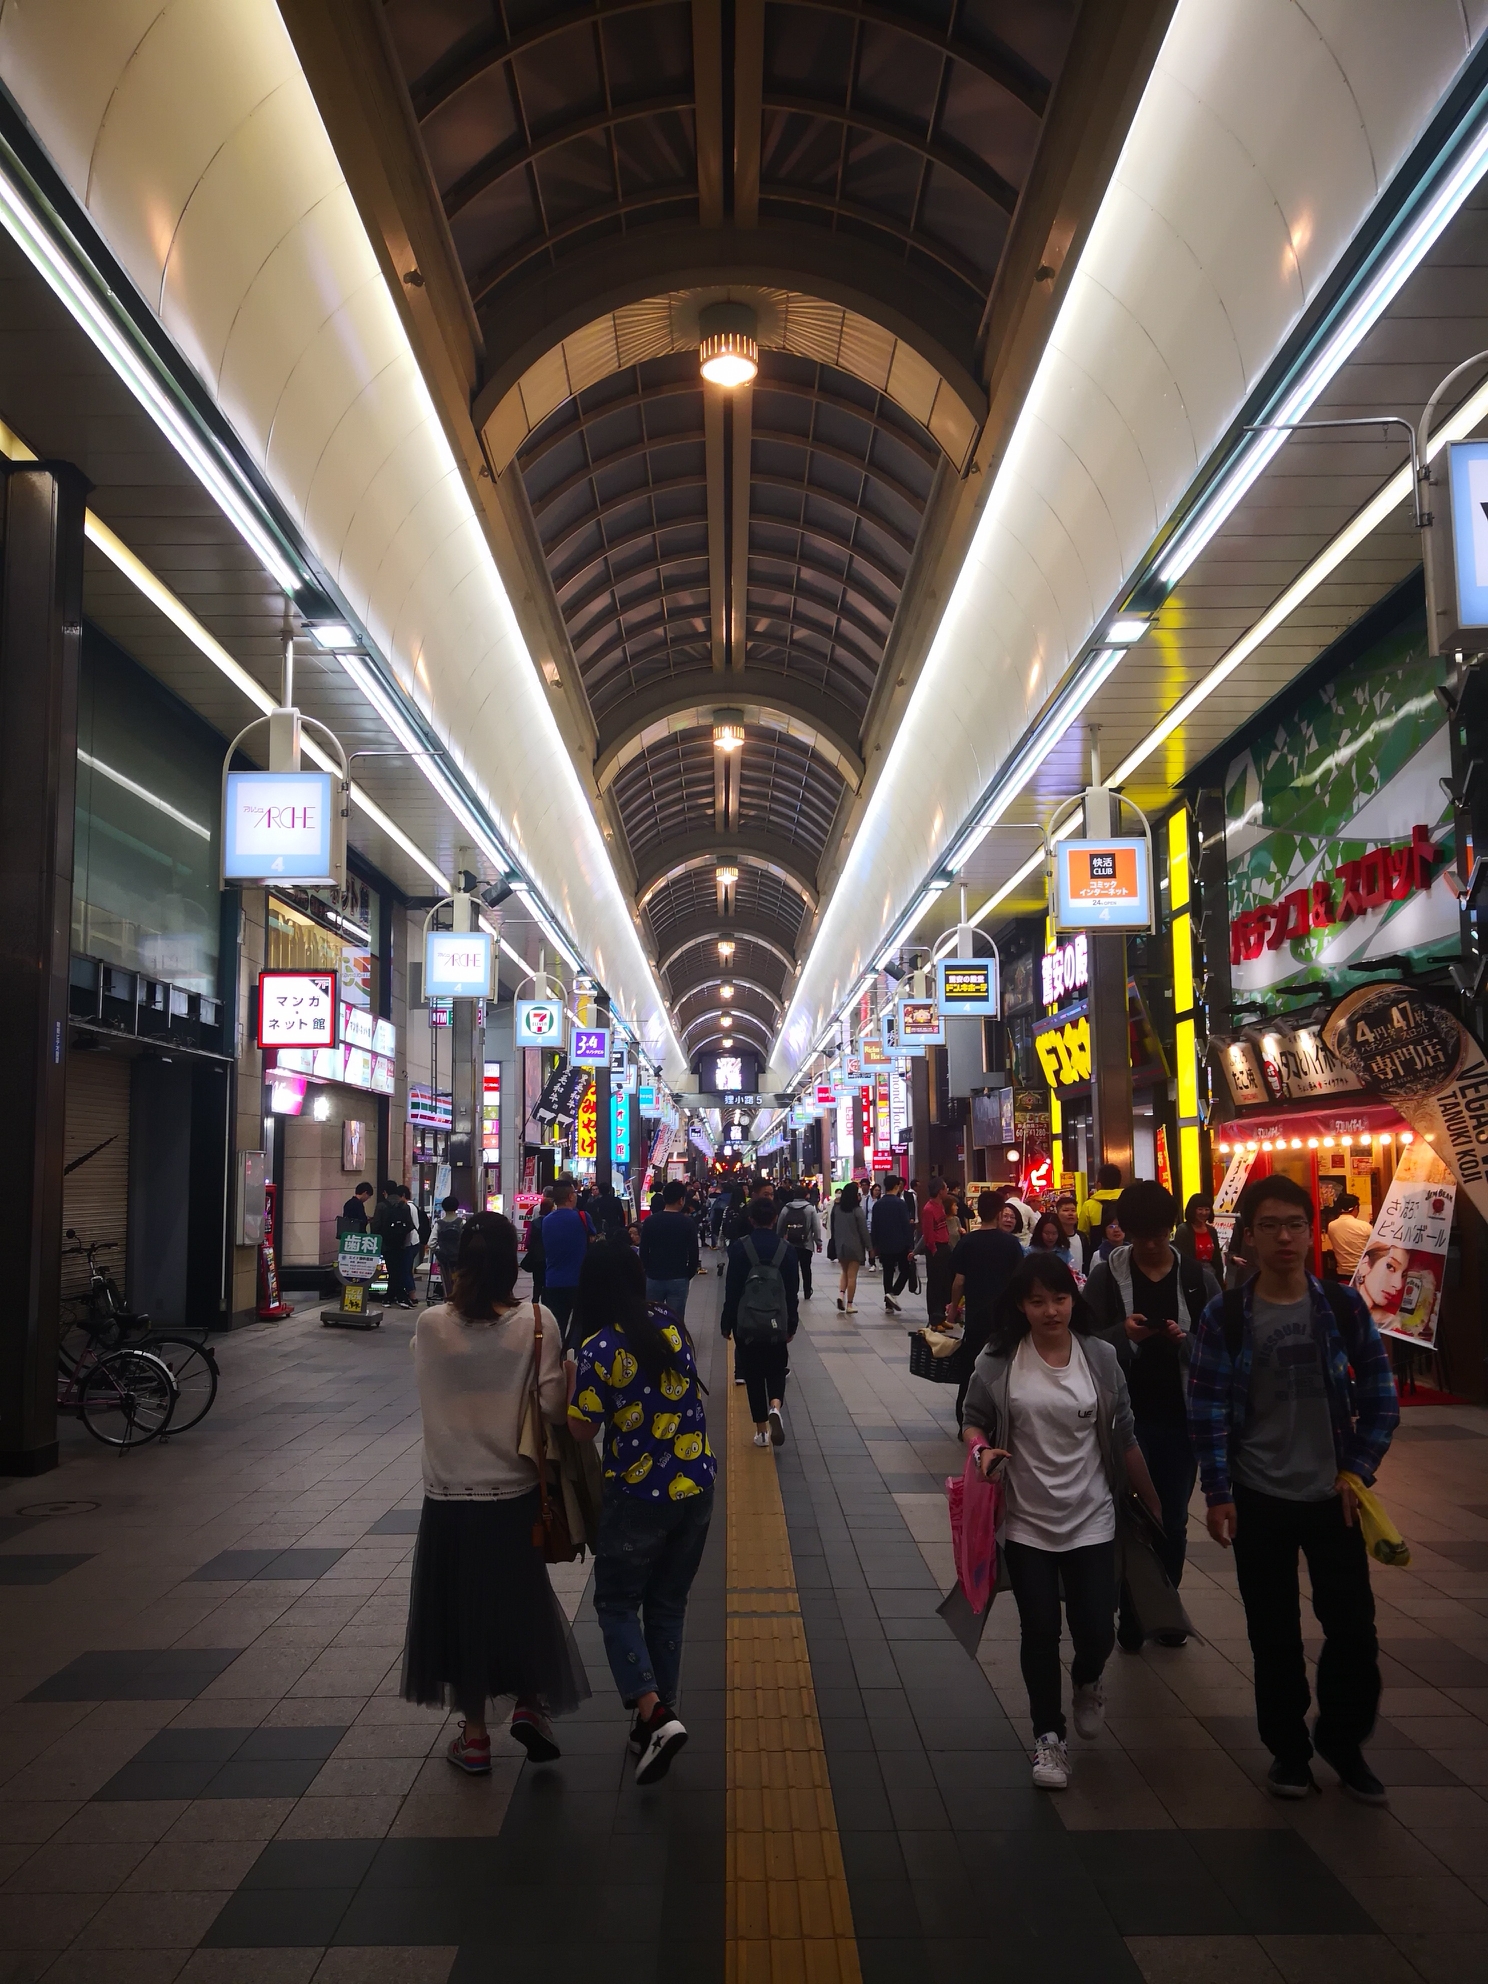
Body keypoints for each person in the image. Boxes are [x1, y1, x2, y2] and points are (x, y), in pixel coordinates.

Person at [1188, 1173, 1399, 1804]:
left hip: (1331, 1495)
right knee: (1273, 1633)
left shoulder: (1340, 1306)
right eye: (1271, 1226)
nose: (1286, 1237)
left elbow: (1381, 1398)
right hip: (1258, 1496)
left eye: (1296, 1225)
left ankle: (1342, 1738)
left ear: (1311, 1232)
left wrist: (1356, 1470)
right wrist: (1219, 1492)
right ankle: (1288, 1752)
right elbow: (1207, 1412)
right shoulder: (1225, 1316)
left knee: (1354, 1630)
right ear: (1246, 1237)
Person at [961, 1255, 1162, 1790]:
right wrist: (981, 1451)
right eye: (1037, 1301)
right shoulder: (1000, 1359)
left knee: (1097, 1625)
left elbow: (1123, 1434)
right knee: (1041, 1629)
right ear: (1020, 1307)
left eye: (1059, 1298)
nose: (1051, 1311)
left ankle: (1089, 1679)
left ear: (1074, 1299)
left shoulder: (1100, 1356)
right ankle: (1048, 1739)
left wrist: (1154, 1503)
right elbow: (973, 1418)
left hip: (1093, 1516)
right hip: (1027, 1521)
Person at [401, 1211, 589, 1772]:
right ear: (515, 1263)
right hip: (517, 1493)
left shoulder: (432, 1325)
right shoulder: (538, 1321)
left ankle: (476, 1737)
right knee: (518, 1602)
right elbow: (555, 1408)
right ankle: (530, 1706)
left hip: (450, 1493)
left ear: (458, 1263)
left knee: (459, 1612)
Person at [568, 1242, 714, 1785]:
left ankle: (653, 1710)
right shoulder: (668, 1324)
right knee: (668, 1604)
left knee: (616, 1603)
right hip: (696, 1485)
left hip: (638, 1495)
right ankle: (652, 1723)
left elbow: (583, 1427)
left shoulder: (599, 1346)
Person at [1084, 1181, 1221, 1649]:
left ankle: (1161, 1607)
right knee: (1124, 1516)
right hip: (1123, 1419)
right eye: (1140, 1234)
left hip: (1181, 1417)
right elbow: (1083, 1343)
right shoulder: (1106, 1277)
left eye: (1158, 1235)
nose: (1149, 1244)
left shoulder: (1199, 1278)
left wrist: (1190, 1345)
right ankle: (1134, 1610)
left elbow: (1224, 1349)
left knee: (1174, 1520)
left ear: (1170, 1229)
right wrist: (1122, 1336)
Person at [722, 1194, 800, 1447]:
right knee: (776, 1369)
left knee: (754, 1376)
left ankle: (762, 1432)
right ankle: (775, 1406)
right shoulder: (786, 1250)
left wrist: (727, 1321)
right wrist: (792, 1323)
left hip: (747, 1324)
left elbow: (732, 1290)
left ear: (751, 1219)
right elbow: (792, 1292)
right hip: (778, 1322)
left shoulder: (739, 1248)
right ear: (775, 1218)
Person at [945, 1190, 1026, 1430]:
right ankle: (1001, 1422)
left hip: (977, 1318)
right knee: (1005, 1368)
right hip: (1005, 1319)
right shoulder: (1011, 1244)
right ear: (1001, 1213)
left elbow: (959, 1281)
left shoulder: (968, 1241)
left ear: (979, 1213)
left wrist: (951, 1312)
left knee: (972, 1368)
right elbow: (1019, 1281)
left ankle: (965, 1422)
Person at [541, 1179, 595, 1351]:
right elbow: (593, 1239)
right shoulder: (582, 1217)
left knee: (557, 1324)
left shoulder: (546, 1221)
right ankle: (574, 1355)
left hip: (553, 1280)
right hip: (579, 1279)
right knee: (580, 1323)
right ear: (571, 1196)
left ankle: (556, 1357)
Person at [639, 1178, 700, 1319]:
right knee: (675, 1319)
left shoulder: (650, 1221)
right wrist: (687, 1273)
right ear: (681, 1200)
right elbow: (693, 1253)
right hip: (678, 1277)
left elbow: (643, 1251)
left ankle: (655, 1341)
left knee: (652, 1318)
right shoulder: (687, 1223)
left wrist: (647, 1270)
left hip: (654, 1277)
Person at [870, 1176, 914, 1312]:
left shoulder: (878, 1204)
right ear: (897, 1186)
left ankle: (888, 1305)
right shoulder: (900, 1204)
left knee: (888, 1273)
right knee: (906, 1270)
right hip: (900, 1243)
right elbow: (905, 1226)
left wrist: (874, 1245)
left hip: (884, 1244)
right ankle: (893, 1293)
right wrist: (910, 1245)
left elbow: (874, 1225)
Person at [370, 1180, 415, 1307]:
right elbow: (410, 1225)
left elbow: (376, 1226)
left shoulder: (381, 1206)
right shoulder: (404, 1206)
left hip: (386, 1244)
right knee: (398, 1269)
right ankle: (397, 1296)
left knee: (392, 1270)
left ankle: (392, 1297)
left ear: (385, 1192)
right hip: (401, 1243)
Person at [830, 1181, 871, 1313]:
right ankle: (849, 1305)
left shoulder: (836, 1209)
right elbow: (864, 1231)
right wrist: (870, 1248)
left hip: (840, 1245)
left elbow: (833, 1227)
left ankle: (841, 1294)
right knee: (852, 1275)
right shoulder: (857, 1210)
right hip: (855, 1246)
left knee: (844, 1272)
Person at [776, 1184, 823, 1299]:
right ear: (806, 1195)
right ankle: (807, 1290)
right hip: (806, 1244)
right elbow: (816, 1227)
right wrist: (818, 1243)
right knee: (806, 1268)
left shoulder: (786, 1208)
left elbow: (780, 1226)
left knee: (793, 1269)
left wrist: (780, 1239)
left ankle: (793, 1291)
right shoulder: (810, 1208)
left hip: (790, 1244)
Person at [1355, 1240, 1410, 1333]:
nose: (1398, 1285)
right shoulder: (1339, 1306)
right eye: (1390, 1266)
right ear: (1365, 1264)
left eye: (1403, 1275)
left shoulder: (1391, 1321)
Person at [921, 1177, 953, 1325]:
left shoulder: (940, 1206)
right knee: (935, 1284)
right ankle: (934, 1318)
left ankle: (941, 1316)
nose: (947, 1190)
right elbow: (928, 1233)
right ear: (940, 1191)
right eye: (945, 1188)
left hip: (944, 1247)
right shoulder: (928, 1208)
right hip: (936, 1249)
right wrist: (933, 1249)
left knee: (945, 1283)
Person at [1326, 1193, 1372, 1279]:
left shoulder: (1331, 1226)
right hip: (1363, 1273)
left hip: (1342, 1274)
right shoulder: (1365, 1226)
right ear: (1355, 1208)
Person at [430, 1195, 464, 1301]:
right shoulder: (461, 1222)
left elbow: (431, 1243)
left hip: (444, 1259)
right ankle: (459, 1301)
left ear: (443, 1208)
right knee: (459, 1282)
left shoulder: (439, 1224)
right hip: (459, 1259)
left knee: (446, 1283)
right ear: (456, 1207)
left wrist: (437, 1252)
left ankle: (448, 1302)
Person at [1078, 1163, 1124, 1237]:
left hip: (1097, 1247)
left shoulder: (1089, 1205)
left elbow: (1082, 1234)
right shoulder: (1128, 1201)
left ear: (1099, 1184)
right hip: (1127, 1247)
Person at [1174, 1196, 1217, 1271]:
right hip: (1191, 1272)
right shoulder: (1183, 1230)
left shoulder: (1211, 1230)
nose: (1204, 1213)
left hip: (1211, 1272)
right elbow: (1182, 1257)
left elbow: (1217, 1258)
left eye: (1207, 1209)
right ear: (1192, 1210)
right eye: (1200, 1209)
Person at [1055, 1194, 1091, 1274]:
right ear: (1057, 1213)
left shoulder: (1082, 1237)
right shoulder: (1054, 1237)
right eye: (1066, 1210)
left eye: (1073, 1210)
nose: (1070, 1213)